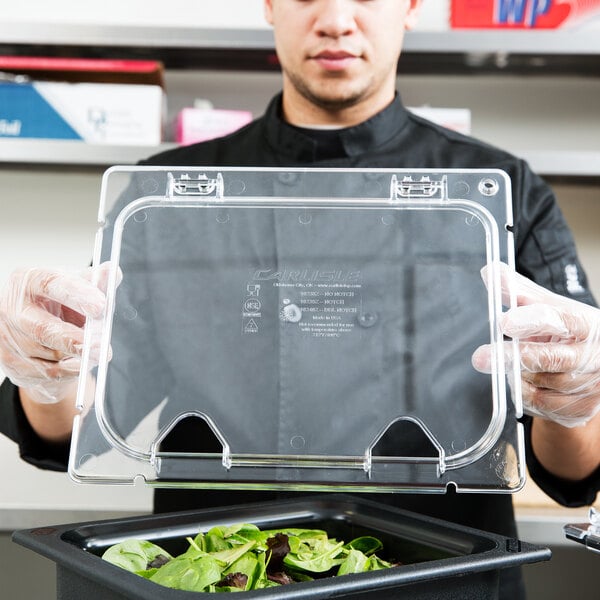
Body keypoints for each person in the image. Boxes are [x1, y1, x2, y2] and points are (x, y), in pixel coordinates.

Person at [1, 0, 599, 597]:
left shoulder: (504, 192)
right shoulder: (166, 197)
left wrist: (578, 395)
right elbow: (73, 430)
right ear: (268, 6)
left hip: (445, 575)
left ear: (412, 7)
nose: (336, 19)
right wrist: (46, 368)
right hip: (220, 570)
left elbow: (576, 470)